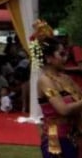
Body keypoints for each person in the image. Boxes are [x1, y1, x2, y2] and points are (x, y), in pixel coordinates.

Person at [33, 20, 82, 157]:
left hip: (74, 134)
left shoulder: (66, 78)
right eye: (61, 54)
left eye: (65, 54)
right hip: (56, 138)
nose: (65, 58)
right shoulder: (45, 81)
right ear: (48, 58)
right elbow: (63, 110)